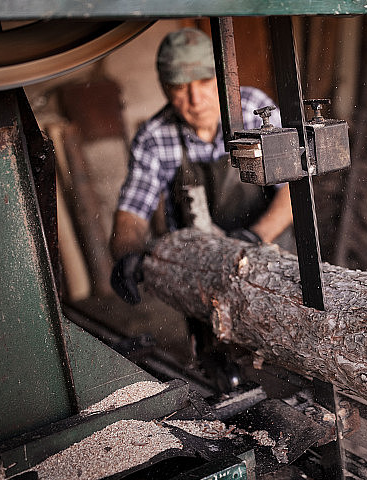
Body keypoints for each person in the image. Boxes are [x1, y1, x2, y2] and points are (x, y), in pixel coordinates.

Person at [109, 27, 293, 391]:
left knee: (285, 358)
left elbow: (294, 191)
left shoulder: (255, 112)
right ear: (165, 88)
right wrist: (127, 254)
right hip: (202, 278)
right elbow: (132, 213)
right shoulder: (155, 137)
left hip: (270, 257)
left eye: (205, 82)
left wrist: (254, 238)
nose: (195, 99)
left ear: (222, 79)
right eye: (180, 87)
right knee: (221, 374)